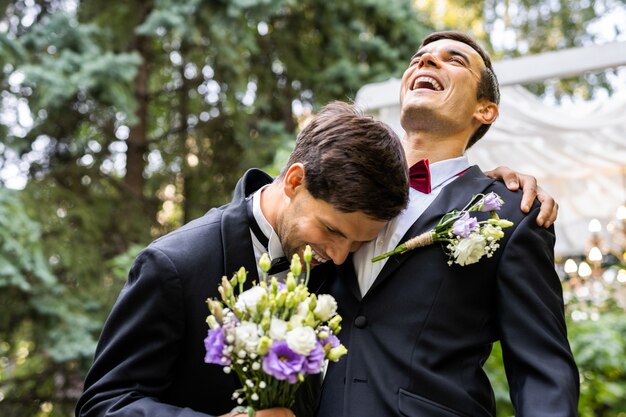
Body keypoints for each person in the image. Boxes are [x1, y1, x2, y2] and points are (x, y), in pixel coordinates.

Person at [75, 103, 555, 416]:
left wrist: (486, 186)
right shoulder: (173, 265)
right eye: (331, 231)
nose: (340, 255)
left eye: (357, 243)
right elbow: (104, 403)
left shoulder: (337, 254)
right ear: (293, 180)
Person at [315, 31, 579, 417]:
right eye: (418, 58)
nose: (425, 62)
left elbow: (542, 370)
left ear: (485, 110)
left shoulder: (509, 213)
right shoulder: (333, 181)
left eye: (454, 60)